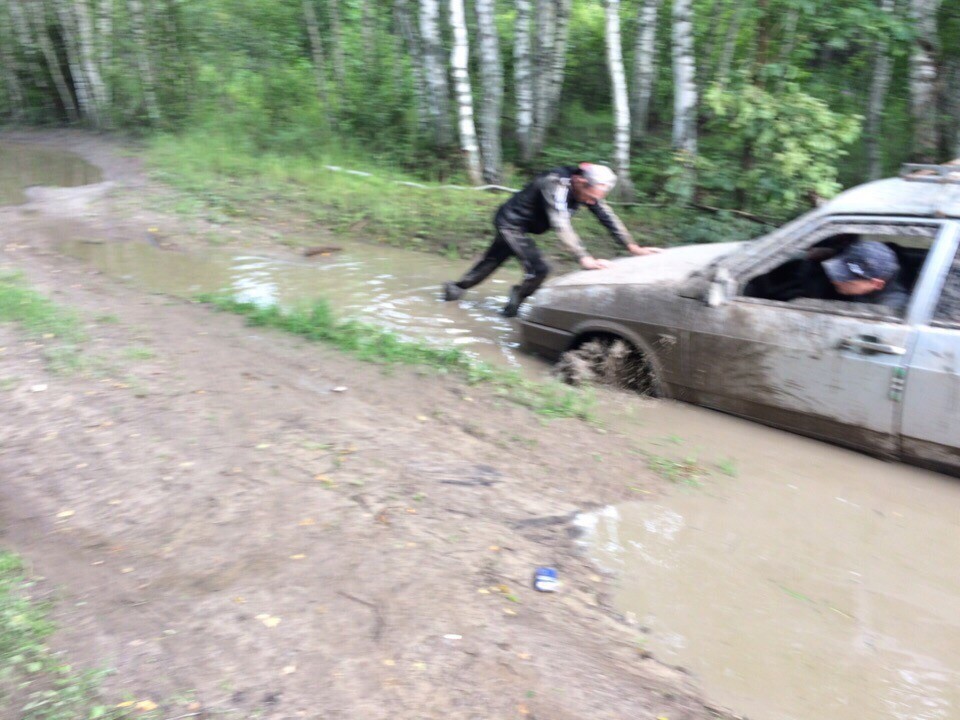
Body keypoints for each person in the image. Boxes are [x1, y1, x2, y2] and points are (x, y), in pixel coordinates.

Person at [441, 163, 661, 317]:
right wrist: (583, 257)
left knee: (491, 262)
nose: (590, 202)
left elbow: (606, 215)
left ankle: (454, 289)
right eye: (589, 197)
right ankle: (515, 301)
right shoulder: (555, 184)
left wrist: (632, 246)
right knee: (539, 269)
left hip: (525, 226)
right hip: (511, 223)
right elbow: (560, 222)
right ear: (579, 181)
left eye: (595, 198)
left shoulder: (585, 189)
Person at [745, 237, 909, 313]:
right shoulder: (878, 276)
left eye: (848, 277)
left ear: (877, 284)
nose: (835, 279)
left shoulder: (890, 307)